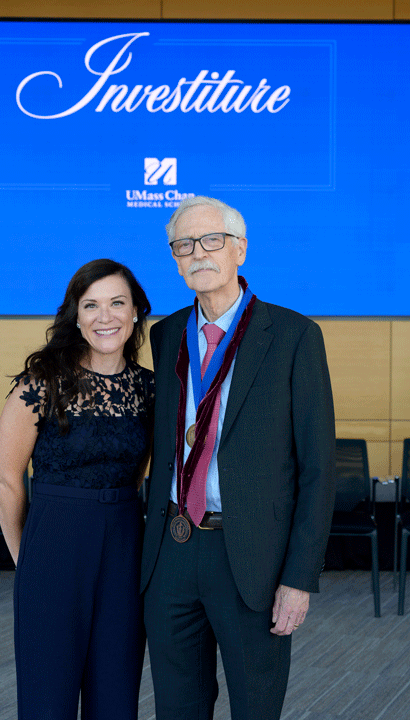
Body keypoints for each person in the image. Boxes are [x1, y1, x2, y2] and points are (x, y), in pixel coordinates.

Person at [141, 196, 336, 720]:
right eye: (184, 245)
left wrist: (299, 578)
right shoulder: (164, 336)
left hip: (253, 560)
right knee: (177, 709)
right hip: (172, 553)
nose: (198, 254)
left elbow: (318, 470)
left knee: (255, 708)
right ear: (175, 258)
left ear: (240, 250)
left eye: (211, 241)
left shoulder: (294, 336)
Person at [0, 258, 154, 720]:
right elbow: (6, 478)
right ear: (76, 316)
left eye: (117, 303)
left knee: (116, 693)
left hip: (125, 542)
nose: (105, 317)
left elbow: (143, 468)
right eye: (92, 305)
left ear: (136, 311)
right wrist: (27, 559)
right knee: (48, 695)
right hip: (53, 544)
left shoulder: (149, 388)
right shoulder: (41, 383)